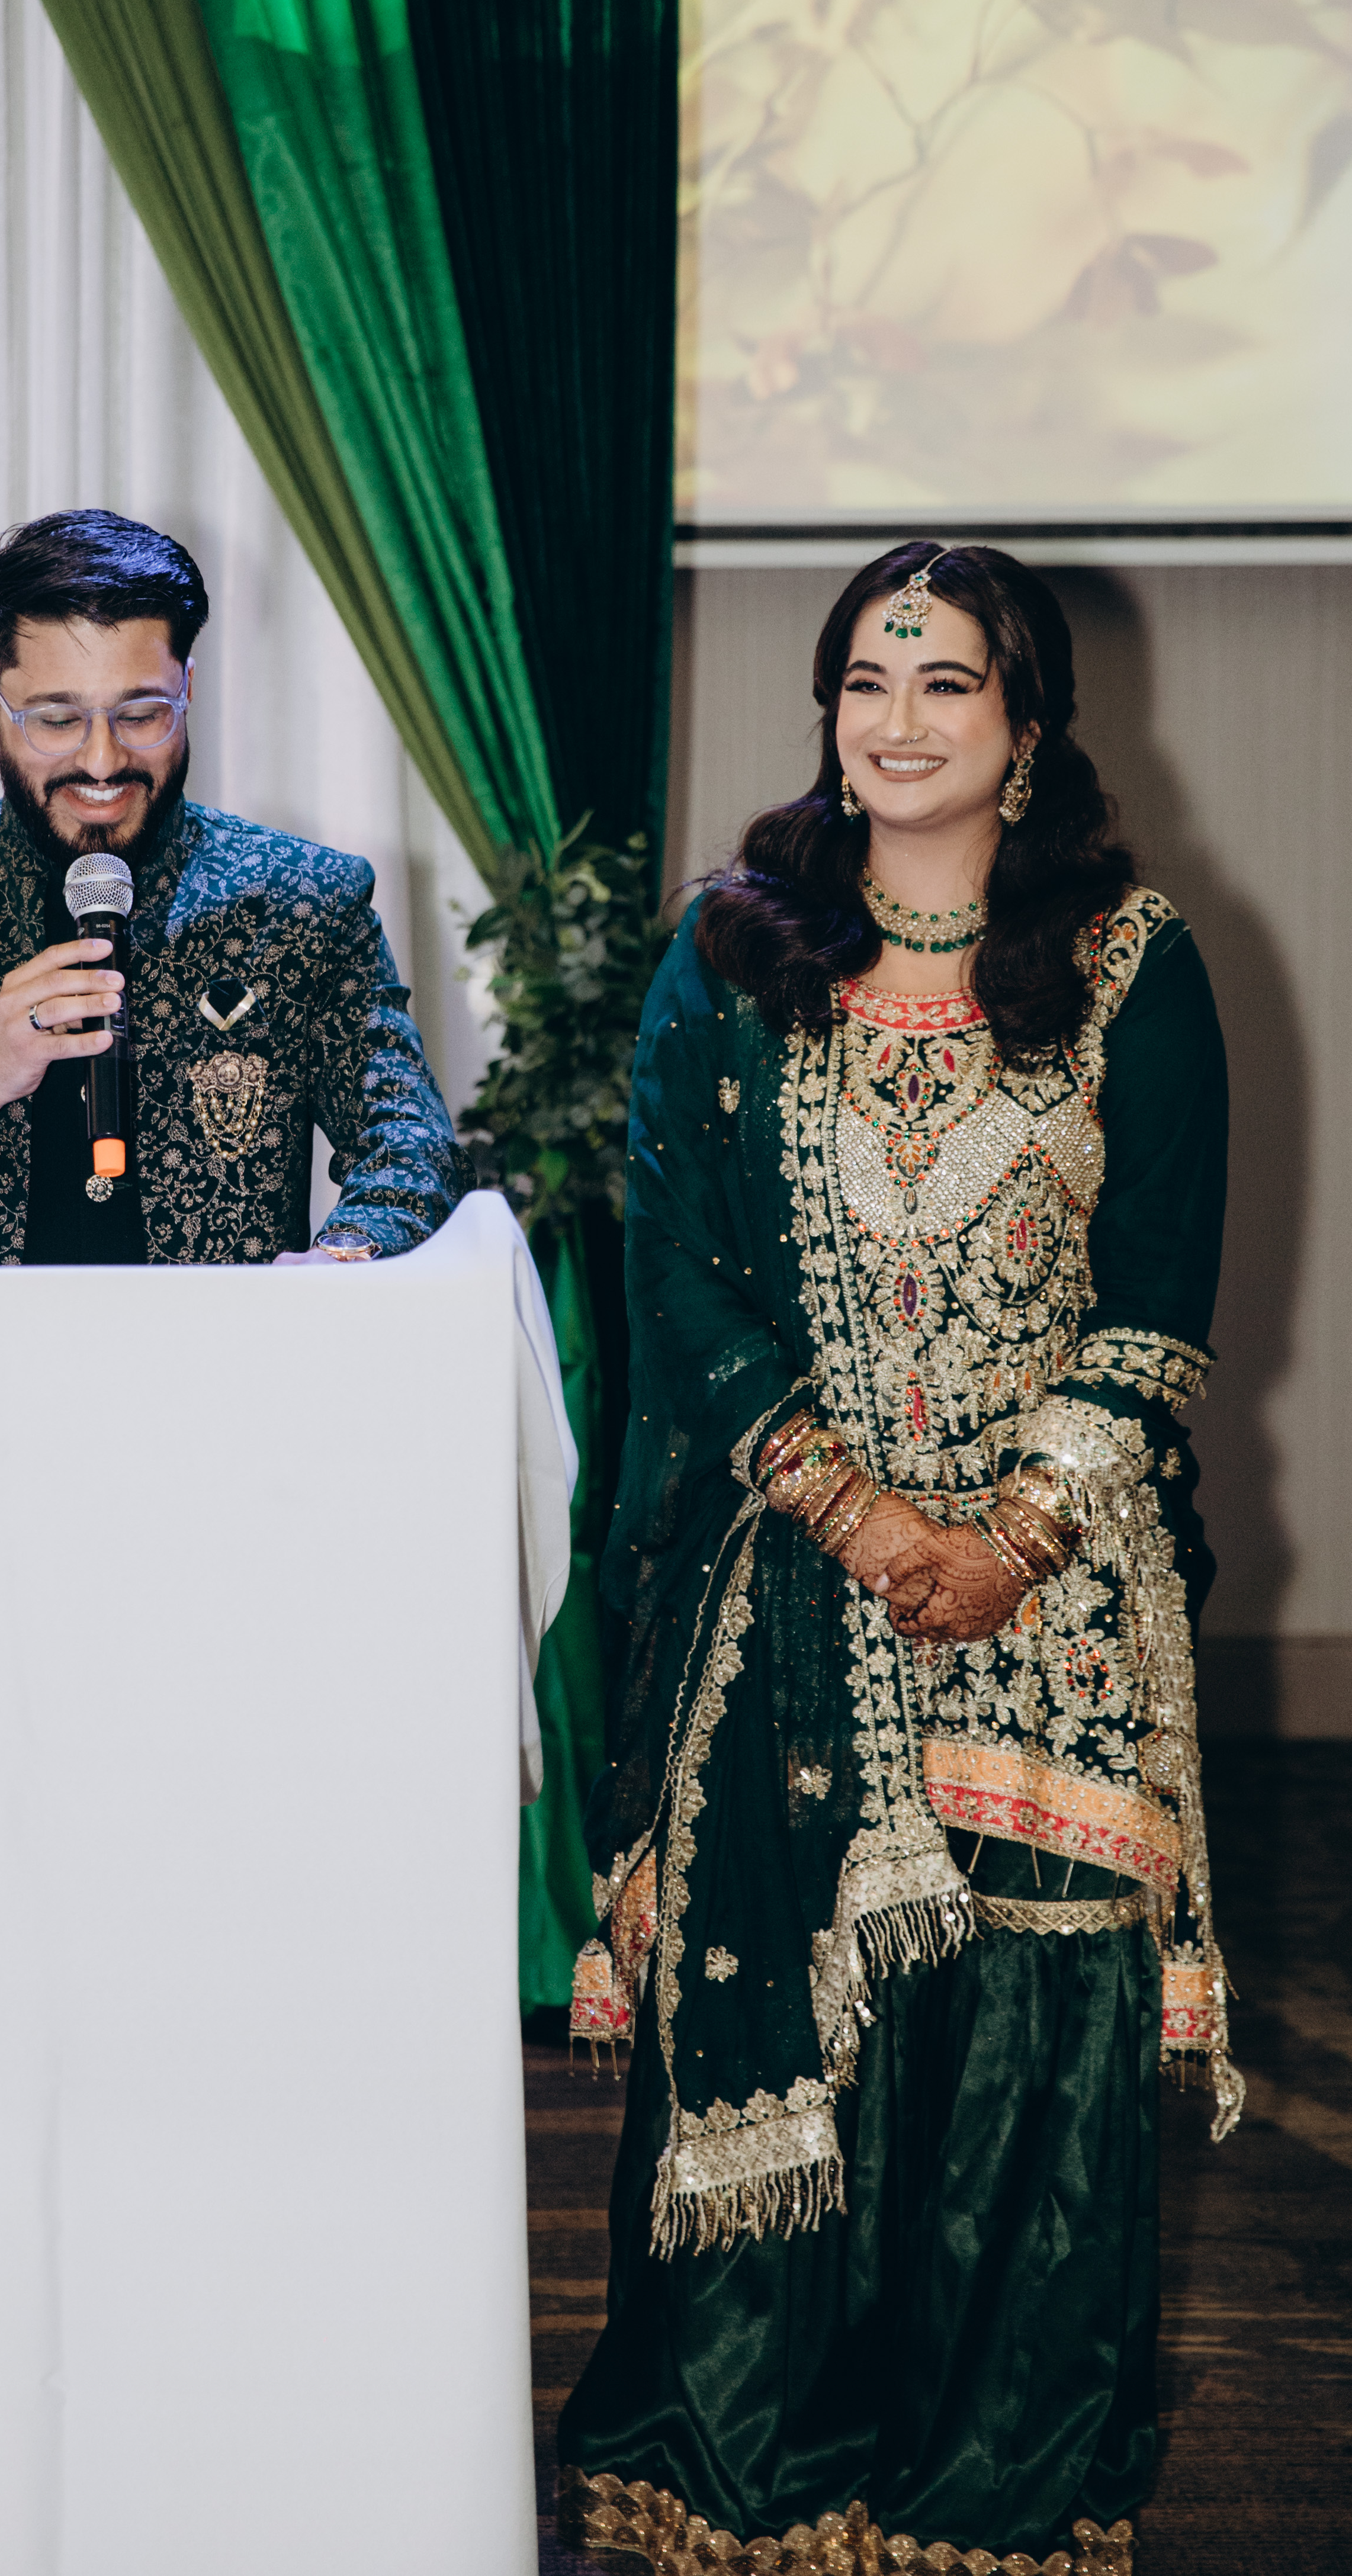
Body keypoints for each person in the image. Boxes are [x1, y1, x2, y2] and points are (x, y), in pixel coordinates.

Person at [557, 542, 1238, 2574]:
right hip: (791, 1576)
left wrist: (1011, 1536)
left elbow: (1161, 1291)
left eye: (946, 682)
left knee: (1025, 2057)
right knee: (807, 2037)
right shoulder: (735, 954)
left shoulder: (1128, 962)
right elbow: (671, 1265)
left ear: (1026, 724)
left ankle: (989, 2493)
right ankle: (755, 2477)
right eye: (867, 678)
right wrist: (852, 1508)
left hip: (1059, 1603)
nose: (899, 719)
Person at [0, 507, 466, 1270]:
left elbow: (412, 1147)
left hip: (220, 1347)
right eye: (58, 720)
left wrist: (343, 1258)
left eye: (142, 714)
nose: (101, 760)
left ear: (187, 689)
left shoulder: (301, 902)